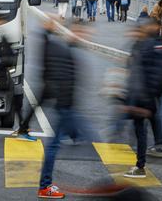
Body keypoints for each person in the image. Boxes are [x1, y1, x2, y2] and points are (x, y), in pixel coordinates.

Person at [37, 19, 94, 199]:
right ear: (73, 31)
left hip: (68, 106)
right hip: (64, 105)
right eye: (81, 32)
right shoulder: (62, 48)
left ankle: (45, 185)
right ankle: (45, 186)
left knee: (66, 142)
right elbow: (47, 55)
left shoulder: (68, 47)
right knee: (54, 146)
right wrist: (46, 32)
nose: (84, 35)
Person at [123, 19, 162, 179]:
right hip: (142, 96)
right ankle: (158, 144)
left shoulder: (148, 46)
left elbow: (152, 73)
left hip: (143, 97)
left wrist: (146, 98)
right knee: (144, 127)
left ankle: (141, 165)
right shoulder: (142, 45)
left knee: (141, 131)